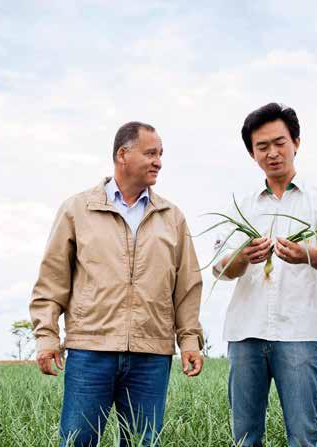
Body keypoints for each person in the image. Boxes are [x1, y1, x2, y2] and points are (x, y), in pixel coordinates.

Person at [29, 121, 205, 447]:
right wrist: (46, 336)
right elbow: (52, 280)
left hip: (151, 355)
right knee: (78, 441)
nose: (159, 161)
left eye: (161, 154)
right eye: (150, 153)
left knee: (141, 442)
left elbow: (188, 285)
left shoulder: (172, 217)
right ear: (123, 154)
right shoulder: (77, 210)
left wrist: (190, 340)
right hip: (90, 350)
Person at [214, 103, 317, 447]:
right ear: (253, 154)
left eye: (279, 143)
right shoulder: (240, 205)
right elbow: (222, 266)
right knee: (245, 437)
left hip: (299, 331)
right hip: (246, 332)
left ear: (296, 142)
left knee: (303, 436)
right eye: (262, 147)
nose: (272, 153)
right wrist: (243, 258)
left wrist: (306, 254)